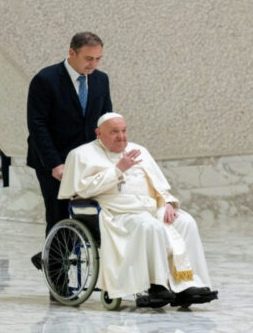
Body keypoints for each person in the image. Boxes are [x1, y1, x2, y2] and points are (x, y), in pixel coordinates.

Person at [58, 113, 218, 307]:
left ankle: (187, 285)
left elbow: (159, 185)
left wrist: (166, 203)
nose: (122, 136)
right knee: (150, 226)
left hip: (151, 208)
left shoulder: (139, 150)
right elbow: (82, 190)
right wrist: (118, 170)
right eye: (114, 132)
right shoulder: (81, 154)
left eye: (124, 131)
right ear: (99, 133)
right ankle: (155, 286)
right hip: (115, 213)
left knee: (185, 222)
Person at [27, 32, 112, 271]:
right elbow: (37, 125)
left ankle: (46, 255)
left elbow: (105, 120)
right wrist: (55, 163)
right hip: (54, 159)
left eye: (98, 59)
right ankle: (58, 282)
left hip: (88, 159)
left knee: (93, 214)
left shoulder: (101, 80)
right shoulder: (46, 79)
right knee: (58, 215)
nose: (93, 65)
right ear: (71, 53)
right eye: (88, 58)